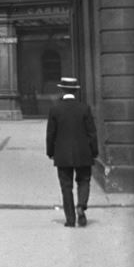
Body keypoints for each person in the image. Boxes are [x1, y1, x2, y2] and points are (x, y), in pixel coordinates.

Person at [46, 77, 99, 227]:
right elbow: (92, 133)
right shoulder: (84, 108)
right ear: (76, 91)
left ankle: (70, 219)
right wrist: (94, 151)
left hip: (62, 154)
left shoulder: (55, 109)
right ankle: (81, 205)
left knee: (66, 186)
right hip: (83, 153)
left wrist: (50, 152)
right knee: (84, 181)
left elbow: (51, 134)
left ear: (62, 90)